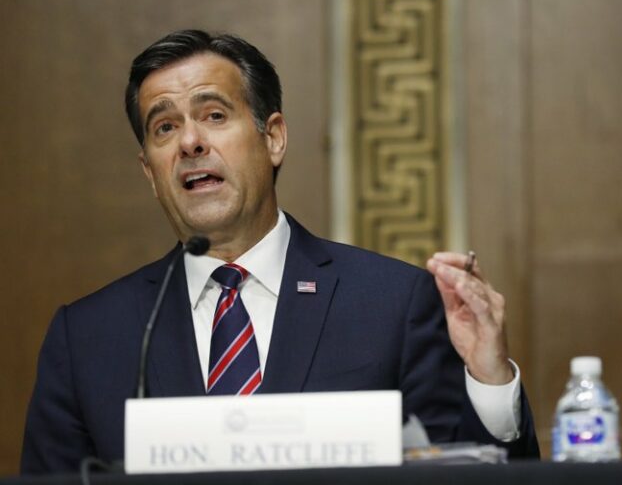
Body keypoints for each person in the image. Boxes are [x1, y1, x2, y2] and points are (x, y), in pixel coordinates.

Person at [21, 30, 539, 473]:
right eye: (165, 127)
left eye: (214, 115)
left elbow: (464, 474)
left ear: (273, 138)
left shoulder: (392, 304)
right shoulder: (87, 338)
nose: (190, 142)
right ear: (150, 173)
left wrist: (490, 383)